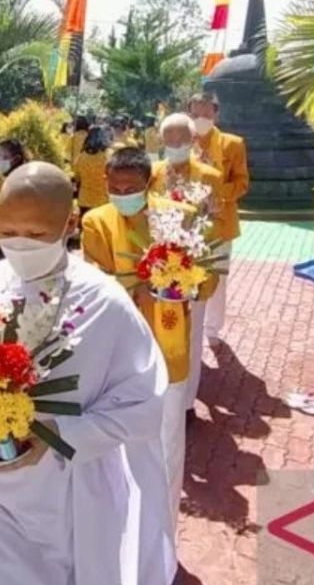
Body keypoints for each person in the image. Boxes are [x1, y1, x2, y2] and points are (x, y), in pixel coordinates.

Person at [0, 162, 175, 585]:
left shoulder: (104, 302)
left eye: (35, 235)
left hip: (72, 494)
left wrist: (60, 435)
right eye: (9, 231)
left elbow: (144, 407)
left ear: (69, 225)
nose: (19, 244)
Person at [81, 147, 214, 534]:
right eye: (115, 185)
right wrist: (144, 282)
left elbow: (206, 279)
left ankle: (164, 532)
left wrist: (183, 282)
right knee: (120, 447)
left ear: (148, 185)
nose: (123, 192)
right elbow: (97, 281)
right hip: (118, 353)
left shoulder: (179, 216)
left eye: (132, 187)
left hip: (168, 346)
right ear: (104, 183)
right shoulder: (96, 222)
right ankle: (124, 531)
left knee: (167, 442)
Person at [149, 112, 225, 418]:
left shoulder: (210, 176)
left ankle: (186, 403)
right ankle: (159, 392)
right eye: (169, 140)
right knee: (160, 331)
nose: (175, 145)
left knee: (190, 337)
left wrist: (207, 271)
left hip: (193, 268)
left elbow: (216, 226)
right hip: (156, 269)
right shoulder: (152, 173)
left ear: (193, 140)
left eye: (181, 140)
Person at [188, 91, 249, 344]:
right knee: (185, 273)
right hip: (186, 223)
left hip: (220, 221)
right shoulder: (181, 141)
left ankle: (212, 329)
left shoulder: (232, 144)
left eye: (205, 113)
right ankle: (188, 323)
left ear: (216, 113)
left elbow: (242, 183)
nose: (200, 118)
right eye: (195, 114)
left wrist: (216, 193)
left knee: (218, 277)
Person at [71, 125, 110, 217]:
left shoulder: (81, 157)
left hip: (84, 200)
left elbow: (77, 177)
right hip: (103, 201)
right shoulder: (107, 156)